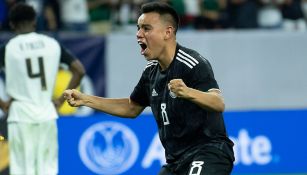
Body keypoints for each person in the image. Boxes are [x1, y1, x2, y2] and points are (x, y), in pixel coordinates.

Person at [64, 2, 234, 175]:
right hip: (175, 161)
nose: (138, 34)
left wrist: (187, 92)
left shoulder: (192, 64)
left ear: (168, 32)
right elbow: (131, 107)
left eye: (146, 28)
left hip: (209, 151)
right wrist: (86, 99)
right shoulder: (151, 72)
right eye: (138, 28)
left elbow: (218, 103)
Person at [0, 3, 85, 175]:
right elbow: (79, 71)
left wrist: (2, 104)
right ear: (34, 21)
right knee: (47, 169)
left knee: (22, 170)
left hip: (20, 114)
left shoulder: (8, 48)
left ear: (12, 25)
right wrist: (61, 100)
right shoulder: (51, 44)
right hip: (47, 112)